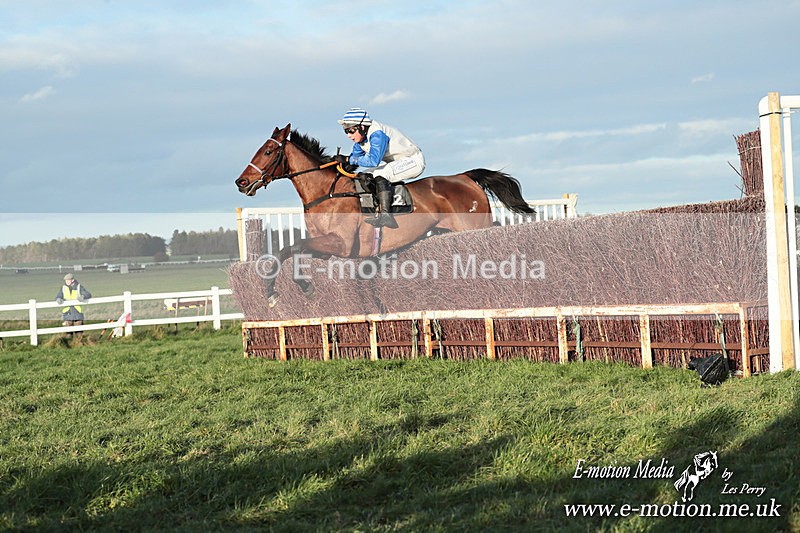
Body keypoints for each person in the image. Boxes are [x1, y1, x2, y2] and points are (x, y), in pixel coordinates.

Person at [337, 107, 425, 228]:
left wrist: (348, 159)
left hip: (413, 160)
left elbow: (373, 161)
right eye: (345, 131)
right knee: (364, 176)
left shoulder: (377, 134)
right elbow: (354, 159)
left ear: (362, 127)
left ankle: (386, 215)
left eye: (351, 131)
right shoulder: (361, 139)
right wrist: (336, 162)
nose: (348, 135)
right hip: (396, 162)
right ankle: (377, 210)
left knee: (381, 174)